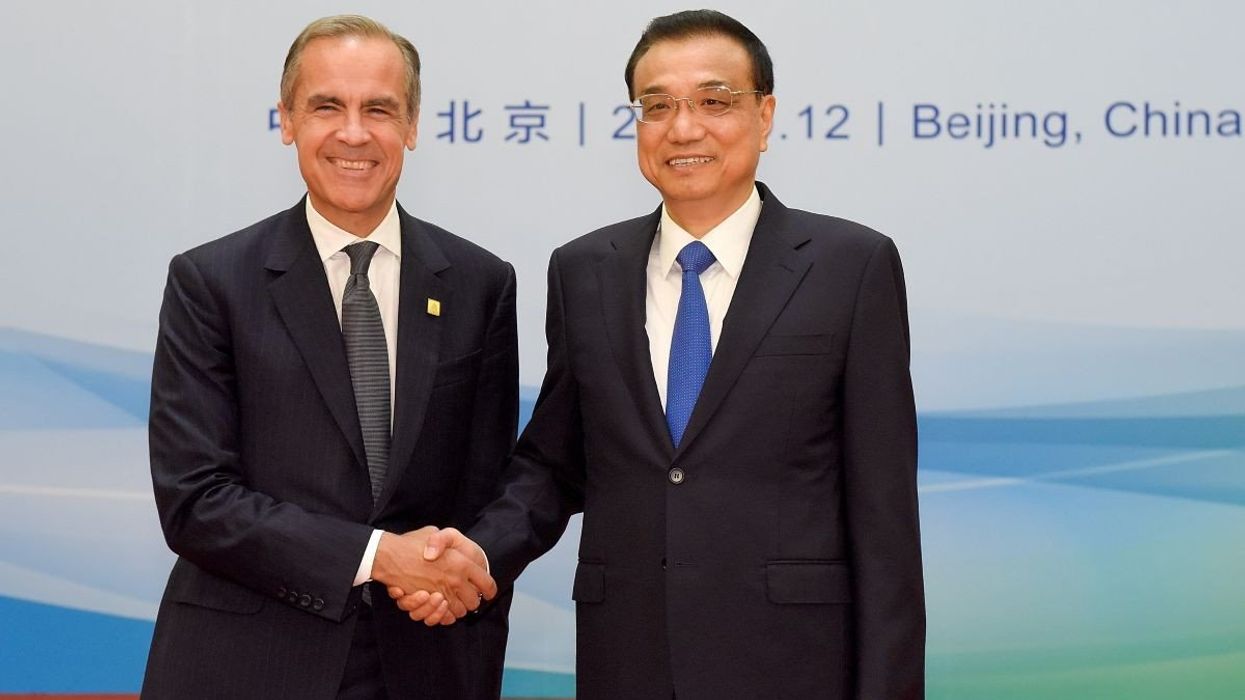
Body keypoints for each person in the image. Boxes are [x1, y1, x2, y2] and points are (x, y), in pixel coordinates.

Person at [401, 9, 925, 699]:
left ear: (764, 116)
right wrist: (477, 552)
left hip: (793, 664)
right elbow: (554, 463)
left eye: (714, 101)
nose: (682, 128)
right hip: (629, 658)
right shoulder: (583, 270)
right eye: (656, 106)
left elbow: (884, 521)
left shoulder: (849, 267)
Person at [142, 15, 514, 700]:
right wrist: (379, 556)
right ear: (287, 120)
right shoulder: (211, 282)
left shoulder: (479, 283)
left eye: (379, 109)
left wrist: (454, 574)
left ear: (412, 125)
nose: (353, 133)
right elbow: (196, 499)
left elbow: (487, 490)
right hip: (248, 665)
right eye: (326, 107)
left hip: (424, 660)